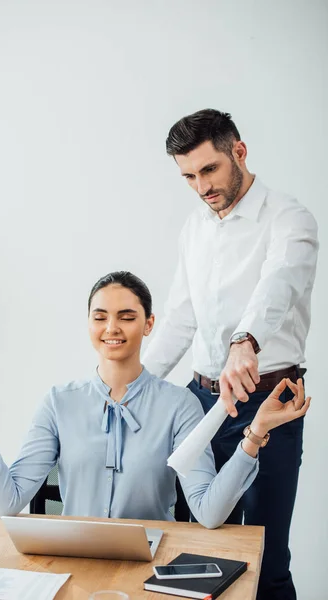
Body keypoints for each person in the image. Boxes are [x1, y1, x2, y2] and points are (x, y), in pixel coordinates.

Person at [0, 272, 309, 529]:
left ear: (148, 324)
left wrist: (255, 433)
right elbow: (9, 501)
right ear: (89, 324)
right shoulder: (59, 402)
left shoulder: (180, 406)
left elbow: (208, 513)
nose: (112, 328)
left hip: (152, 568)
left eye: (126, 317)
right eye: (101, 317)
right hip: (73, 565)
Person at [143, 109, 318, 599]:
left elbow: (278, 284)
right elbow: (180, 316)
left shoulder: (290, 218)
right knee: (190, 550)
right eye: (189, 177)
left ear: (238, 152)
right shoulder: (194, 228)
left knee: (265, 557)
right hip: (197, 405)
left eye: (209, 170)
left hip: (270, 406)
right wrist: (133, 384)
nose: (202, 186)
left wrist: (246, 341)